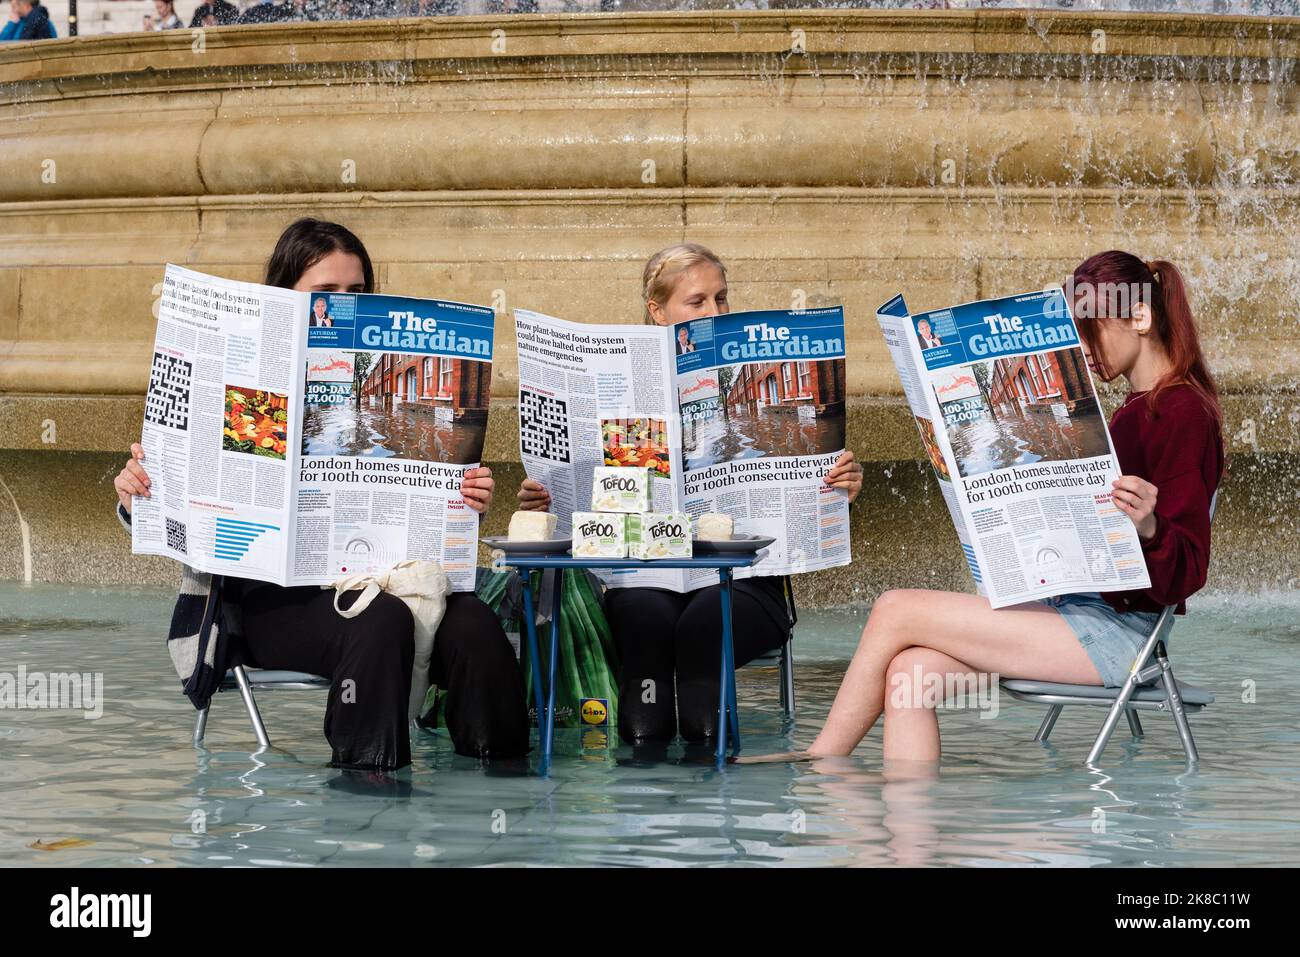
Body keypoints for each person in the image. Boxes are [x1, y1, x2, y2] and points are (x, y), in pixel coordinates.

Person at [769, 251, 1222, 766]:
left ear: (1138, 317)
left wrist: (1150, 526)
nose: (1082, 348)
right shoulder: (1132, 412)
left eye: (1088, 328)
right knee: (908, 677)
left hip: (1119, 635)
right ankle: (906, 842)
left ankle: (818, 764)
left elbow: (1186, 570)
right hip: (1076, 609)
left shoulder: (1184, 413)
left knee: (895, 608)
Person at [113, 218, 529, 771]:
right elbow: (186, 499)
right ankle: (367, 793)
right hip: (277, 597)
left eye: (356, 292)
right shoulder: (241, 389)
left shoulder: (373, 376)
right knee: (378, 621)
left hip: (393, 576)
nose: (341, 304)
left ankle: (503, 797)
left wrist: (466, 494)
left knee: (477, 630)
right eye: (324, 292)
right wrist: (137, 495)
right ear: (284, 296)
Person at [517, 242, 865, 750]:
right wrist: (544, 503)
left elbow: (805, 493)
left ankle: (708, 777)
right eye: (697, 301)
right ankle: (646, 781)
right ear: (658, 311)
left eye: (721, 299)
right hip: (644, 571)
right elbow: (600, 506)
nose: (714, 312)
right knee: (643, 624)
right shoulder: (626, 396)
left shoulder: (746, 386)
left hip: (746, 579)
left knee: (704, 627)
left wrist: (838, 486)